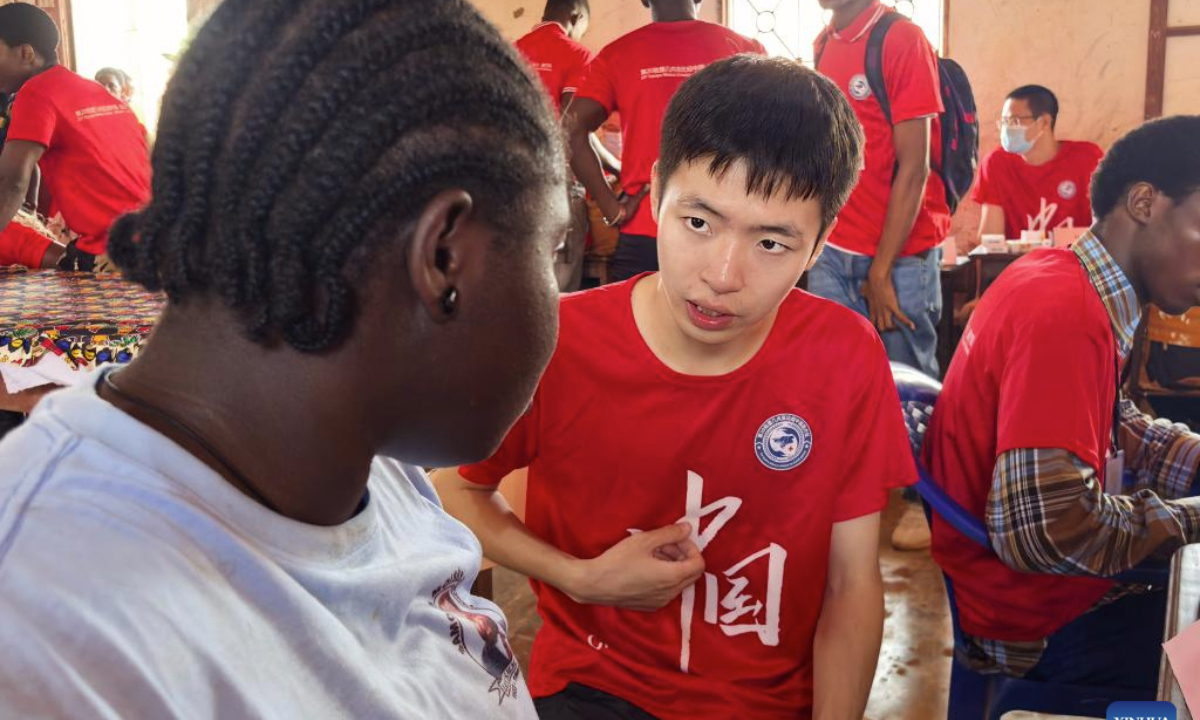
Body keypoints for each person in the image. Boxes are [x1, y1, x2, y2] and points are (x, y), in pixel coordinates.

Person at [0, 0, 568, 716]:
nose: (560, 298)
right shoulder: (48, 642)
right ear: (444, 255)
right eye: (553, 251)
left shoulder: (376, 465)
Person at [436, 56, 917, 720]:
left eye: (772, 243)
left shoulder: (844, 355)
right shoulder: (558, 341)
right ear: (658, 192)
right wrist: (580, 577)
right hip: (594, 686)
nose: (723, 275)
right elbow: (453, 491)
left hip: (770, 704)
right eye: (699, 222)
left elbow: (851, 585)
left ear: (821, 243)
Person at [925, 115, 1200, 694]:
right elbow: (1049, 529)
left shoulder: (1060, 276)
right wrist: (1192, 517)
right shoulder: (1065, 314)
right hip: (1044, 622)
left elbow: (1113, 424)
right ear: (1145, 203)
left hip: (1035, 598)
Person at [811, 0, 949, 552]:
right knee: (838, 379)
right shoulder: (825, 41)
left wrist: (883, 270)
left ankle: (927, 505)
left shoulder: (899, 38)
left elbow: (913, 165)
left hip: (901, 255)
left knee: (910, 382)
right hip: (833, 249)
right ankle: (853, 499)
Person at [563, 0, 764, 283]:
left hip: (647, 229)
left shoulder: (618, 54)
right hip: (724, 228)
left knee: (636, 326)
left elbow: (570, 127)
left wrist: (611, 208)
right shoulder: (743, 50)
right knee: (715, 325)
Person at [0, 4, 150, 271]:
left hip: (115, 254)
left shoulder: (35, 93)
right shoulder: (94, 90)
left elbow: (11, 183)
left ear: (26, 53)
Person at [973, 85, 1104, 242]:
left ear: (1044, 122)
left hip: (1074, 262)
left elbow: (1105, 229)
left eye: (1014, 121)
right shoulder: (996, 163)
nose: (1007, 129)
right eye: (1004, 122)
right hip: (1019, 263)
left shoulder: (1087, 158)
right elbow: (990, 240)